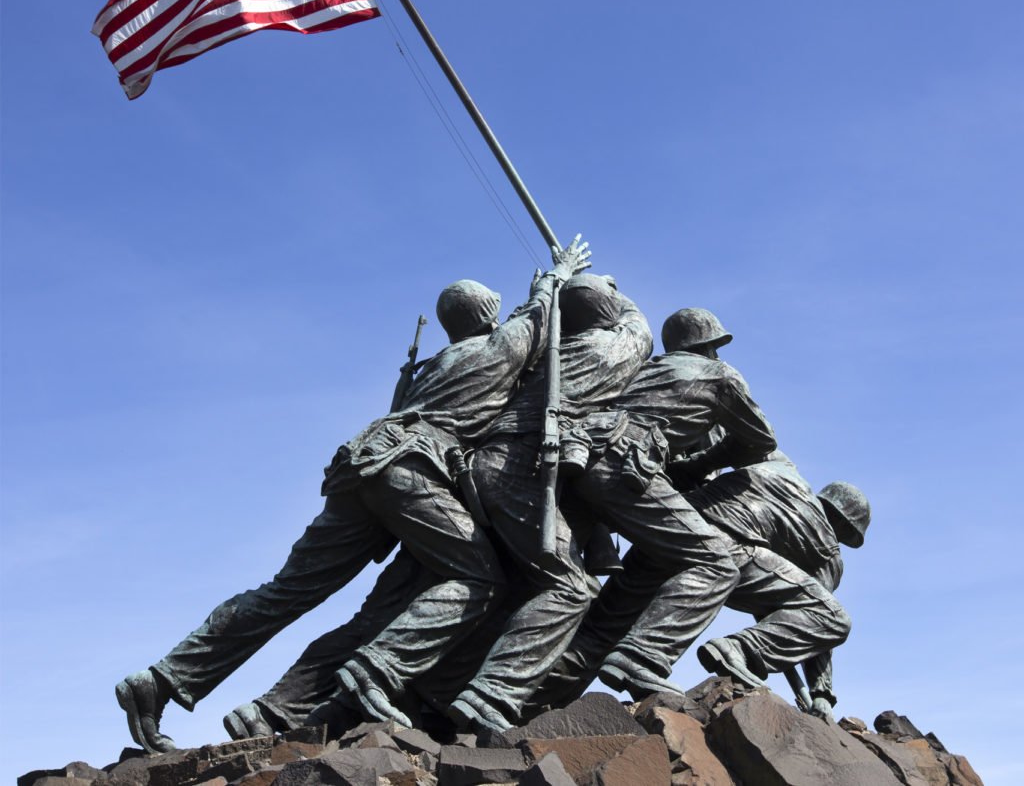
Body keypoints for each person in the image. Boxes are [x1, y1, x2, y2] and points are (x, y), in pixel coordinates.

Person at [115, 237, 591, 754]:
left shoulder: (430, 368)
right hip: (409, 471)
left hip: (358, 465)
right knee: (477, 576)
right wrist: (558, 273)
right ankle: (375, 673)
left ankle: (164, 678)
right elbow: (540, 315)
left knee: (285, 593)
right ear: (487, 317)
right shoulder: (498, 348)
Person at [533, 307, 777, 707]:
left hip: (577, 461)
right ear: (709, 347)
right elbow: (760, 441)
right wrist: (701, 464)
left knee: (582, 598)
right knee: (717, 563)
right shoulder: (720, 375)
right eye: (716, 347)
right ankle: (641, 658)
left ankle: (522, 696)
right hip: (625, 467)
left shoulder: (645, 370)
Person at [445, 273, 653, 731]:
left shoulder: (541, 358)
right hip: (519, 471)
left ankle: (442, 689)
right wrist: (612, 288)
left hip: (482, 467)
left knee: (518, 584)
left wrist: (557, 294)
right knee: (570, 588)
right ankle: (492, 693)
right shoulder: (608, 350)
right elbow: (638, 326)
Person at [689, 467, 870, 722]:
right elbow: (820, 621)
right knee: (835, 619)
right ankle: (738, 650)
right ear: (844, 524)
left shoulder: (788, 499)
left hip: (703, 541)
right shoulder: (829, 551)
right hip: (740, 563)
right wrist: (822, 693)